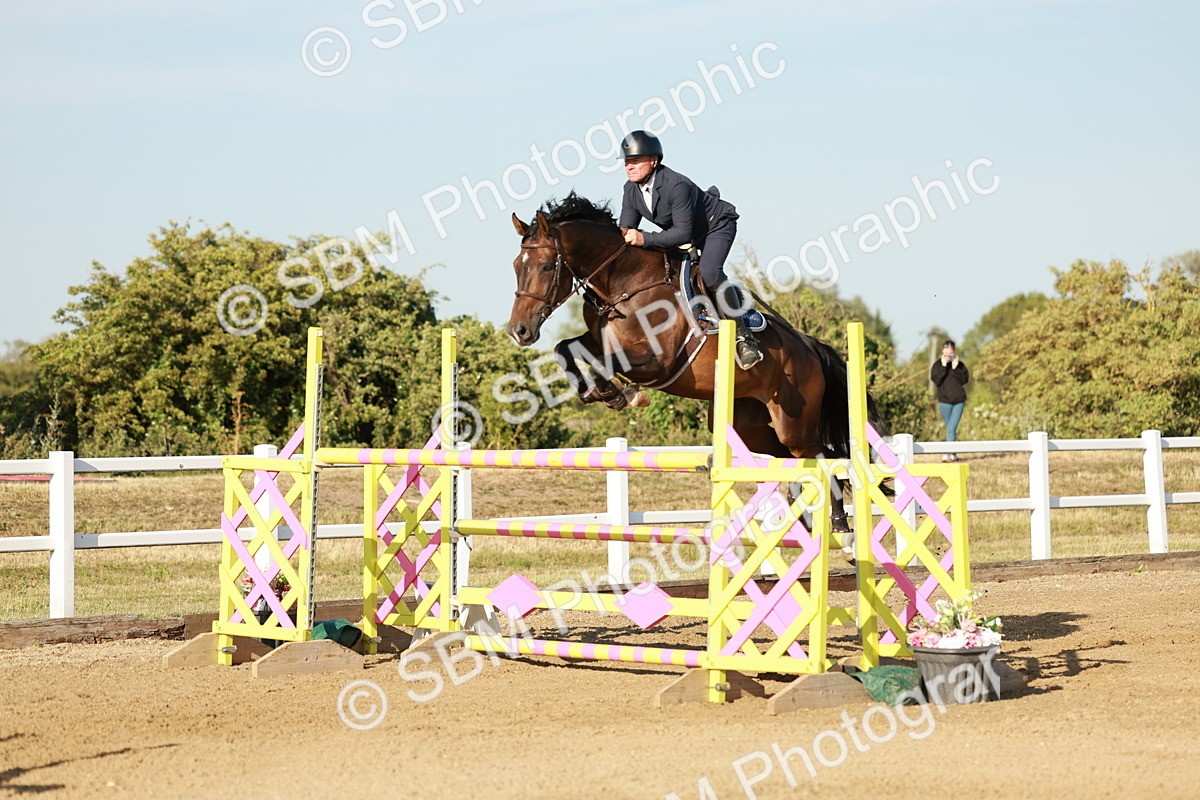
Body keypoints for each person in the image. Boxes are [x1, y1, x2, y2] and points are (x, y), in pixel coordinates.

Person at [616, 130, 763, 369]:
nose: (629, 166)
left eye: (635, 160)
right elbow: (626, 231)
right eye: (626, 162)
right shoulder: (630, 190)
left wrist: (644, 238)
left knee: (709, 272)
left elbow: (682, 234)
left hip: (716, 226)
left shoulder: (676, 185)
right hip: (683, 235)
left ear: (653, 160)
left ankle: (745, 339)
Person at [930, 339, 969, 461]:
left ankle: (947, 454)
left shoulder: (960, 365)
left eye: (951, 350)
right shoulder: (937, 365)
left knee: (952, 428)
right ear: (942, 350)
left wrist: (956, 367)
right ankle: (953, 453)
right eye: (946, 349)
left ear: (954, 351)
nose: (948, 352)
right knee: (950, 429)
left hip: (958, 401)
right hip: (944, 402)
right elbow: (936, 380)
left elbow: (964, 380)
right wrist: (943, 366)